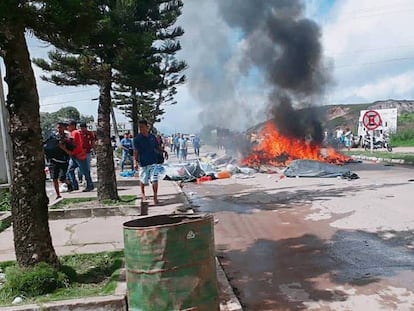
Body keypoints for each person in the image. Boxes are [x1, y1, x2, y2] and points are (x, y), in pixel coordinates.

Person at [133, 120, 163, 204]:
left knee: (154, 179)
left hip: (153, 161)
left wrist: (164, 151)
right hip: (143, 162)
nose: (141, 129)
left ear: (147, 127)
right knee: (143, 180)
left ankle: (155, 197)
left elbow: (157, 147)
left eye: (142, 127)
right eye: (140, 127)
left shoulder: (152, 137)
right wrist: (135, 162)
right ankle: (143, 193)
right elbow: (136, 151)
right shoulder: (137, 139)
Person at [43, 122, 75, 199]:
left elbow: (70, 153)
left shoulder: (68, 138)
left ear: (64, 128)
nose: (59, 129)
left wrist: (63, 148)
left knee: (62, 178)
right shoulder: (53, 137)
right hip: (53, 161)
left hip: (63, 161)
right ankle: (58, 195)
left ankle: (69, 183)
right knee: (54, 178)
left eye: (60, 127)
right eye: (58, 127)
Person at [67, 120, 94, 192]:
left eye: (68, 126)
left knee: (85, 170)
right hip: (74, 154)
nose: (67, 128)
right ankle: (75, 185)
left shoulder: (75, 133)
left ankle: (90, 185)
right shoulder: (73, 133)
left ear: (73, 126)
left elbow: (74, 144)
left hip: (79, 154)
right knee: (70, 170)